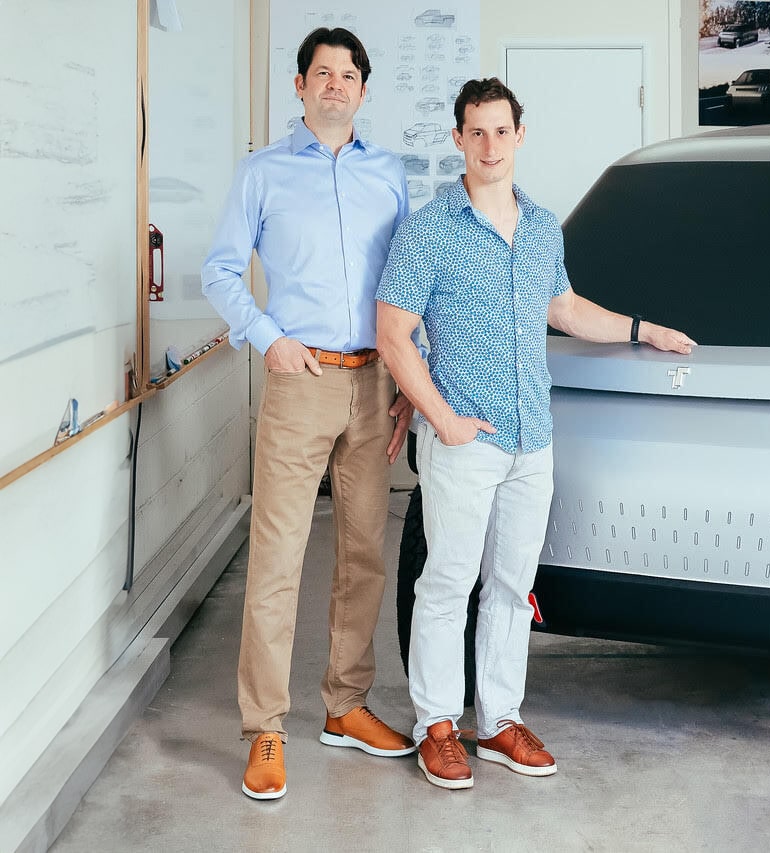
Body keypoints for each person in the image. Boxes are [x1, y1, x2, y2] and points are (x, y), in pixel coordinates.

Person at [375, 78, 696, 791]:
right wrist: (442, 419)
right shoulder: (428, 230)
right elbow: (392, 334)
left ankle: (498, 721)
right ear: (458, 139)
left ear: (521, 135)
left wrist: (645, 330)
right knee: (446, 583)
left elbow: (566, 308)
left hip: (533, 436)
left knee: (512, 587)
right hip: (466, 438)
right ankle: (436, 724)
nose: (489, 145)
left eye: (501, 130)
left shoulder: (545, 226)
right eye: (476, 132)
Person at [202, 26, 418, 801]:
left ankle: (345, 704)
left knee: (364, 552)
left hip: (373, 385)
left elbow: (408, 285)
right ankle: (264, 724)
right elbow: (220, 269)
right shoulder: (262, 173)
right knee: (279, 559)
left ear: (363, 90)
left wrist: (407, 387)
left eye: (349, 74)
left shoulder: (391, 175)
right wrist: (267, 337)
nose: (335, 85)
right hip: (299, 382)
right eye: (321, 73)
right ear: (299, 87)